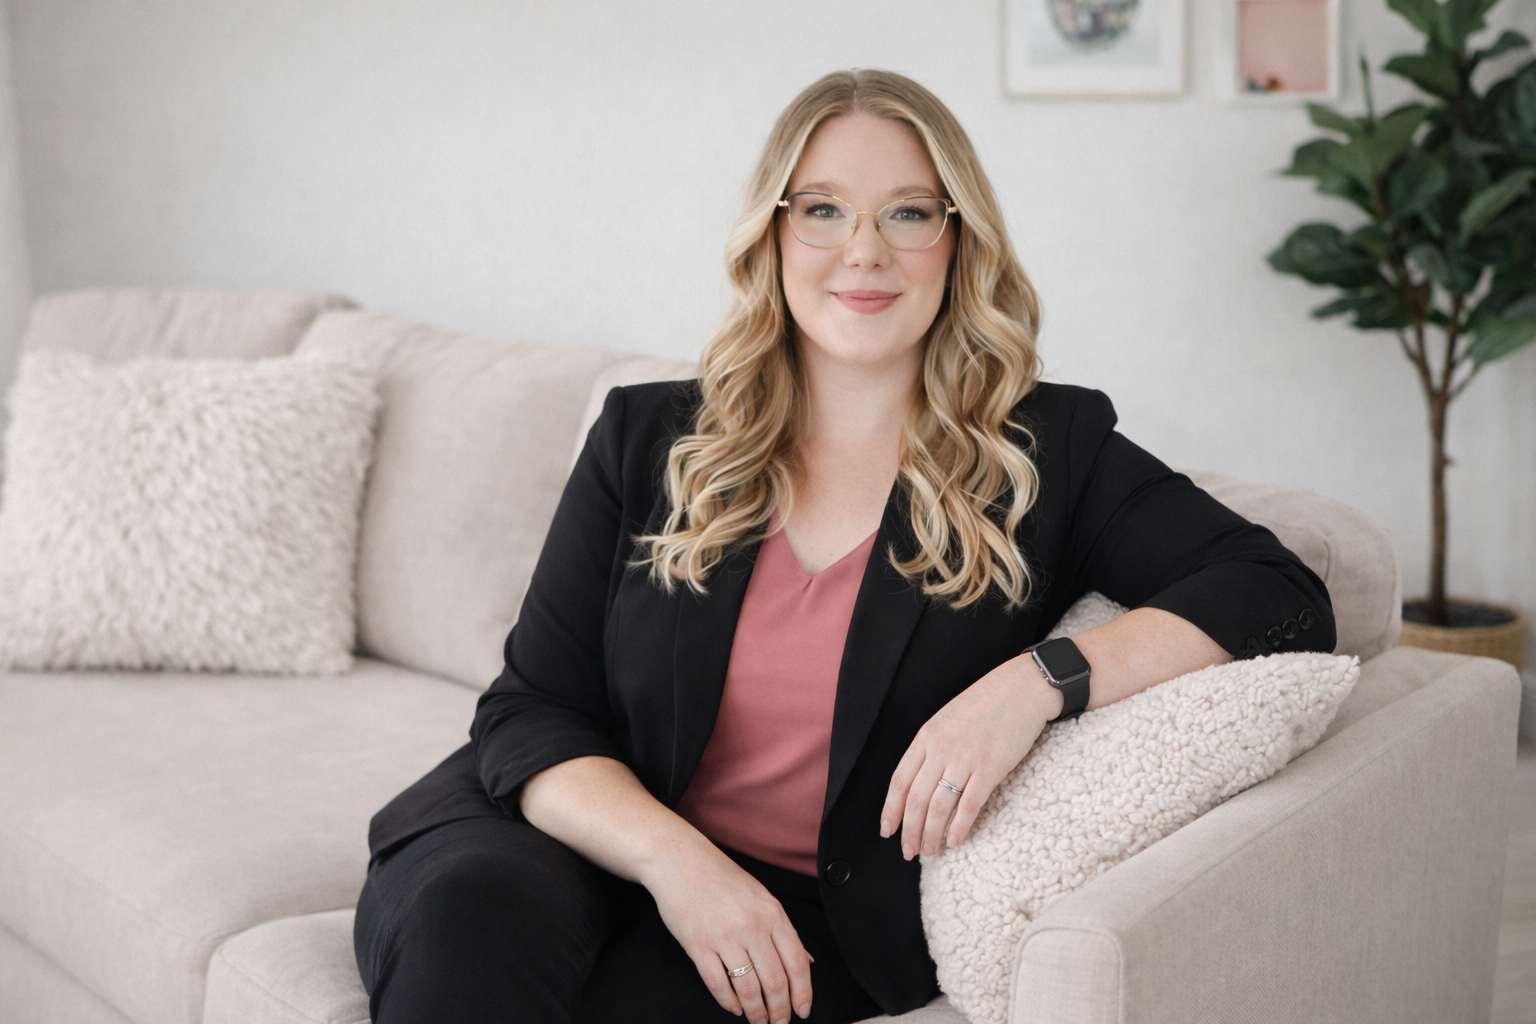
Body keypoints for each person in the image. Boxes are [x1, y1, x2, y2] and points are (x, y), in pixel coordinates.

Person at [353, 69, 1334, 1024]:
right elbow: (532, 711)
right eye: (822, 210)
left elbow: (1277, 592)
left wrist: (1040, 681)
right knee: (468, 920)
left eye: (908, 213)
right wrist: (681, 866)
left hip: (811, 920)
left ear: (958, 239)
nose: (864, 251)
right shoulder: (648, 436)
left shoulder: (1047, 454)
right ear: (774, 233)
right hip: (581, 840)